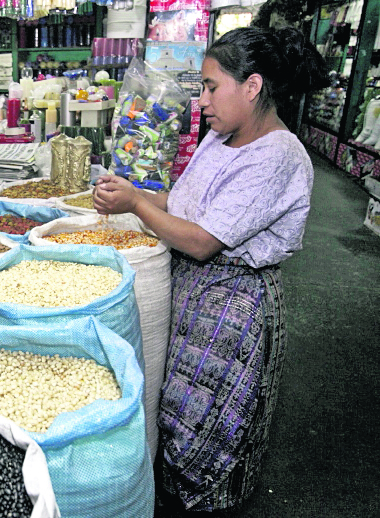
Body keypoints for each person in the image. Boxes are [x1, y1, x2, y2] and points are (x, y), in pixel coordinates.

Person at [93, 26, 329, 512]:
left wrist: (137, 203)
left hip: (232, 310)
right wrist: (130, 196)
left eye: (211, 87)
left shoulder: (277, 156)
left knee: (214, 429)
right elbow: (182, 205)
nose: (201, 100)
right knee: (177, 414)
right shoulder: (221, 138)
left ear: (253, 86)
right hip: (193, 294)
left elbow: (202, 240)